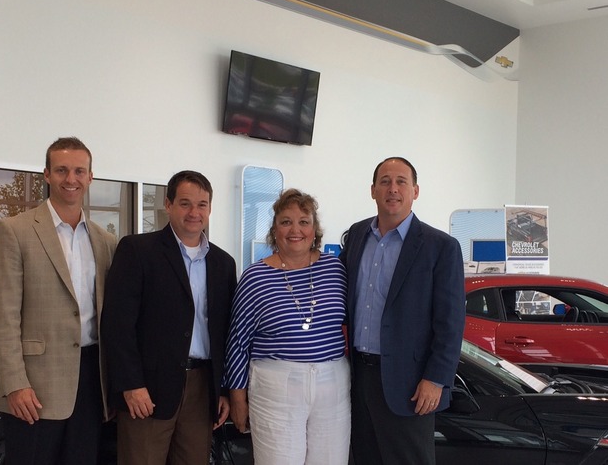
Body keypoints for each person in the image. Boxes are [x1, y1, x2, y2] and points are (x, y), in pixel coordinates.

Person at [0, 137, 117, 465]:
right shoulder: (14, 231)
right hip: (35, 385)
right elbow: (2, 316)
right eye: (61, 170)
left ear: (90, 177)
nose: (70, 179)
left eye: (78, 171)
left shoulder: (106, 241)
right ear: (46, 174)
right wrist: (14, 383)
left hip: (91, 382)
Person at [101, 170, 237, 465]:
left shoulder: (224, 264)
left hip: (202, 389)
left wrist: (223, 390)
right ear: (168, 204)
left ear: (210, 209)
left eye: (202, 204)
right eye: (185, 203)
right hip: (148, 388)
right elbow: (117, 324)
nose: (194, 212)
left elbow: (226, 332)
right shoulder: (137, 251)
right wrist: (131, 384)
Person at [339, 157, 465, 465]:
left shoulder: (441, 247)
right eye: (384, 181)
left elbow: (450, 323)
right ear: (373, 190)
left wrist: (436, 379)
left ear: (415, 191)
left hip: (410, 385)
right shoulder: (356, 236)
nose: (392, 189)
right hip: (358, 378)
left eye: (401, 182)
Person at [225, 188, 350, 465]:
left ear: (315, 229)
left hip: (333, 385)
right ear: (275, 229)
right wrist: (238, 397)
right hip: (276, 387)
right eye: (286, 221)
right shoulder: (255, 277)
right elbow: (237, 342)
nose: (296, 230)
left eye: (304, 221)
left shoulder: (336, 269)